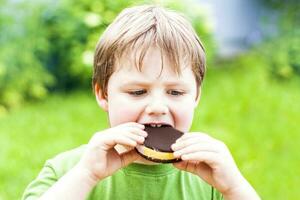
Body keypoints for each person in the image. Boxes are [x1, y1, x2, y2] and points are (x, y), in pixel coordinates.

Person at [22, 5, 260, 200]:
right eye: (137, 91)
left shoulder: (212, 178)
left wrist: (234, 188)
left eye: (175, 92)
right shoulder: (67, 171)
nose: (157, 107)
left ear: (196, 96)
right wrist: (86, 175)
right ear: (104, 94)